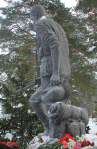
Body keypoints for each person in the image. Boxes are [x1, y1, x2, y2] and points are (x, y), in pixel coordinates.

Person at [29, 4, 71, 136]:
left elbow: (54, 45)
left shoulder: (40, 25)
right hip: (59, 70)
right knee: (51, 100)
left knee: (44, 101)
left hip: (52, 70)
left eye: (32, 18)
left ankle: (52, 131)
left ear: (35, 16)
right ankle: (55, 129)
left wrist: (55, 73)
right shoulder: (56, 25)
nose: (32, 21)